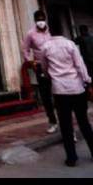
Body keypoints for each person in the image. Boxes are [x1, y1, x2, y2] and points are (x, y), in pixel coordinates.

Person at [40, 18, 93, 167]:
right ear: (63, 31)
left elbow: (44, 67)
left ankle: (71, 158)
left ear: (50, 30)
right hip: (76, 88)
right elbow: (80, 65)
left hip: (60, 90)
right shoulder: (70, 45)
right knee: (84, 122)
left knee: (65, 125)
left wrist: (51, 76)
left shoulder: (46, 47)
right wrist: (87, 80)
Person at [22, 9, 57, 133]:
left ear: (45, 19)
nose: (40, 21)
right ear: (35, 20)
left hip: (55, 65)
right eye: (38, 19)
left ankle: (65, 123)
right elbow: (25, 49)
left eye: (42, 19)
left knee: (60, 94)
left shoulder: (51, 31)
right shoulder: (30, 34)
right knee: (46, 96)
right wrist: (31, 61)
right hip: (40, 67)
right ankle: (52, 122)